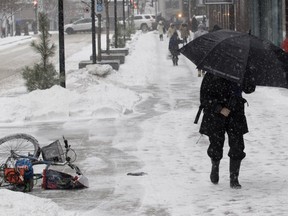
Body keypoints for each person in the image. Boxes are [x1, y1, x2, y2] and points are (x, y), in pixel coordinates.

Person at [197, 72, 256, 189]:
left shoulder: (241, 71)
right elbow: (204, 97)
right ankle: (215, 167)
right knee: (216, 144)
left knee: (237, 145)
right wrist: (219, 108)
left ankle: (234, 178)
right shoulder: (212, 73)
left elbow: (249, 89)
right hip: (215, 115)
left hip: (236, 113)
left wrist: (248, 78)